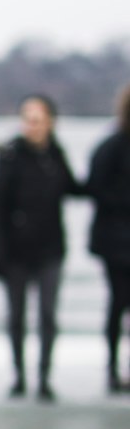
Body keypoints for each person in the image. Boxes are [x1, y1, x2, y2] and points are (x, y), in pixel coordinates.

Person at [0, 93, 83, 402]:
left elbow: (74, 188)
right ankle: (19, 376)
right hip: (15, 251)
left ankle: (44, 377)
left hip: (50, 249)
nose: (32, 125)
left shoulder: (55, 155)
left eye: (38, 120)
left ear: (50, 122)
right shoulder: (10, 156)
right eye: (27, 119)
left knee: (48, 315)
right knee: (17, 317)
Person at [85, 83, 130, 393]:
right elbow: (96, 189)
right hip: (116, 243)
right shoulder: (112, 147)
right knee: (119, 303)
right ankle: (113, 368)